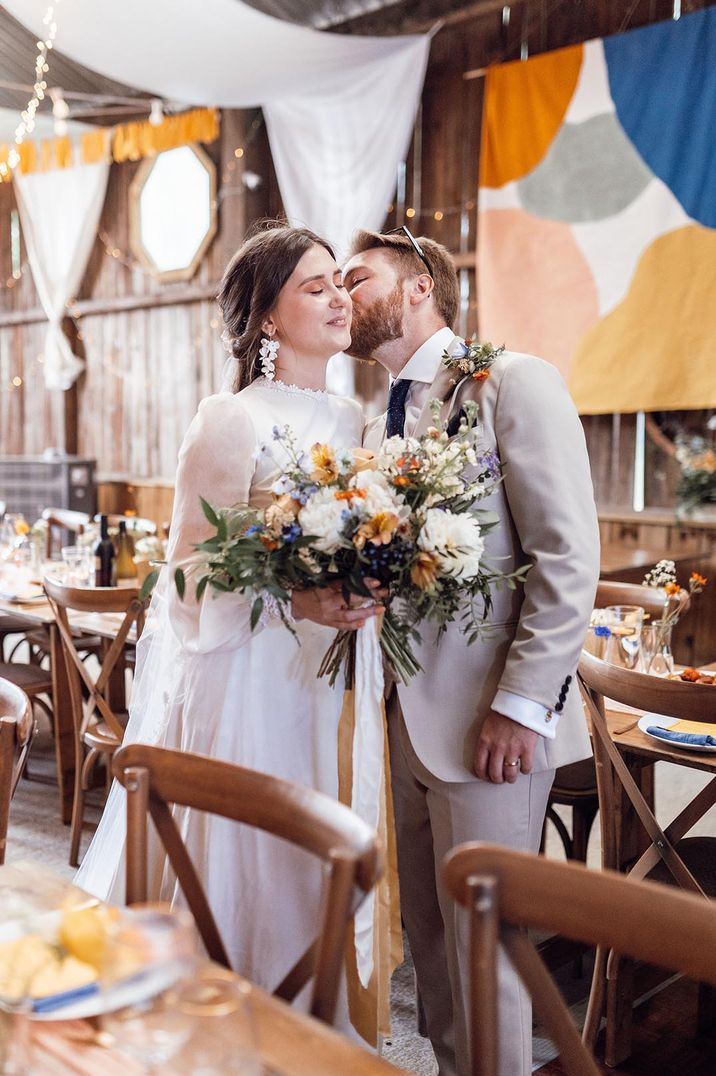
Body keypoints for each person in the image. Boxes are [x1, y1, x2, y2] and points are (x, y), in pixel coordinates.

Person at [75, 224, 389, 1039]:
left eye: (337, 283)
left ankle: (300, 1022)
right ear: (269, 321)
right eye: (313, 287)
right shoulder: (229, 418)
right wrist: (298, 600)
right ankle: (217, 1018)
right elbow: (185, 578)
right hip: (242, 671)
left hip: (322, 674)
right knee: (244, 848)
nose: (337, 299)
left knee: (313, 834)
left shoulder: (354, 419)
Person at [342, 228, 600, 1076]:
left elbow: (566, 560)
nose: (342, 295)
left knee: (489, 955)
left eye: (358, 277)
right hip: (399, 724)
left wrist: (521, 705)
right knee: (431, 948)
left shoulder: (512, 383)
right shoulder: (374, 428)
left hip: (489, 725)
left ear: (419, 284)